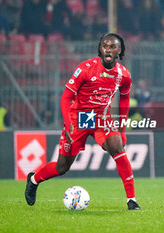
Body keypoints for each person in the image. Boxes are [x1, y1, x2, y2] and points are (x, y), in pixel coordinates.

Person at [25, 33, 141, 210]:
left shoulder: (123, 75)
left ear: (119, 51)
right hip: (80, 118)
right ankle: (34, 180)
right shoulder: (85, 69)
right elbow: (66, 98)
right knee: (62, 167)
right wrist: (68, 123)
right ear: (100, 49)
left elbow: (124, 100)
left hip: (102, 117)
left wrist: (122, 130)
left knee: (118, 148)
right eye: (105, 45)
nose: (108, 49)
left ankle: (131, 200)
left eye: (112, 46)